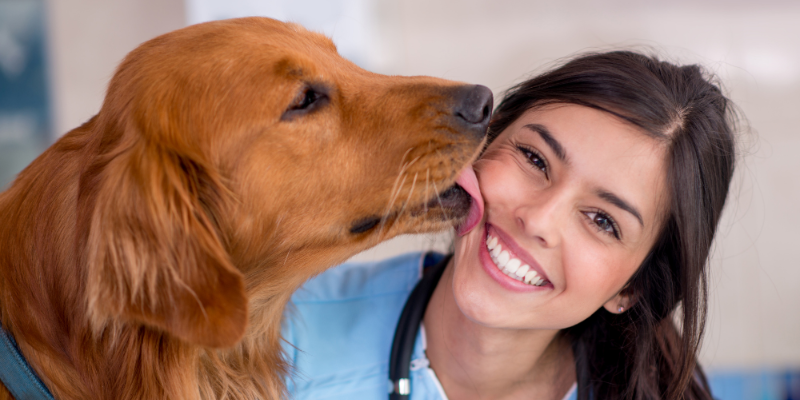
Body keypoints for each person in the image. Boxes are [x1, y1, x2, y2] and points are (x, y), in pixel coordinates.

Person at [282, 50, 737, 400]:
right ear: (481, 143)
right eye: (535, 159)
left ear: (630, 290)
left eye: (603, 221)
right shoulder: (283, 338)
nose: (538, 218)